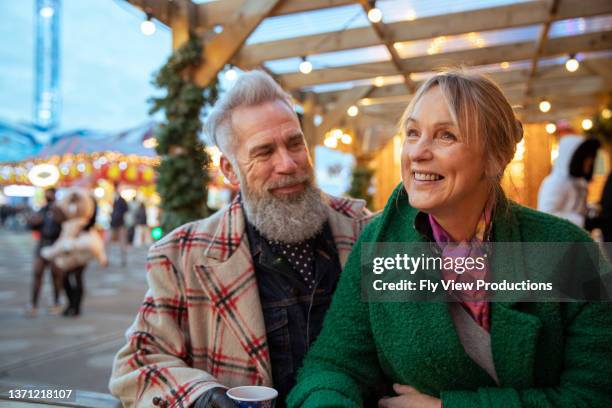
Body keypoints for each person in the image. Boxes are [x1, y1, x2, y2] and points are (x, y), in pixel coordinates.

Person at [287, 70, 612, 407]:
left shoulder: (568, 250)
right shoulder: (379, 243)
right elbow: (334, 366)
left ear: (495, 157)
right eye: (413, 133)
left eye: (445, 136)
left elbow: (596, 395)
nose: (417, 152)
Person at [109, 70, 373, 408]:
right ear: (230, 170)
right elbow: (138, 360)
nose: (288, 163)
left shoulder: (365, 230)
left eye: (295, 143)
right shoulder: (180, 256)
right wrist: (202, 395)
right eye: (264, 152)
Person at [40, 188, 107, 316]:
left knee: (78, 278)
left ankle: (76, 306)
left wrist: (102, 258)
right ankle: (71, 304)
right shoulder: (67, 222)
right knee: (65, 278)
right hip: (68, 254)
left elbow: (95, 244)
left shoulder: (86, 224)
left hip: (81, 254)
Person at [537, 123, 600, 228]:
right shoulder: (554, 182)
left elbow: (576, 208)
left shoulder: (578, 181)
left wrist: (593, 209)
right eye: (585, 157)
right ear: (573, 157)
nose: (589, 162)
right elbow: (547, 215)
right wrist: (582, 221)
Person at [25, 187, 63, 317]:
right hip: (42, 245)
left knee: (56, 275)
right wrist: (33, 221)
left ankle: (56, 302)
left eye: (50, 194)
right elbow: (31, 225)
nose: (48, 196)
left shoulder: (59, 210)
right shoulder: (42, 210)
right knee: (37, 273)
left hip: (55, 245)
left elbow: (63, 224)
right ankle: (33, 304)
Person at [108, 183, 129, 266]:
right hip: (114, 223)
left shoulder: (121, 200)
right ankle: (106, 258)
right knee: (108, 241)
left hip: (120, 223)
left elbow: (126, 210)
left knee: (122, 242)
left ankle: (123, 259)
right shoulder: (115, 200)